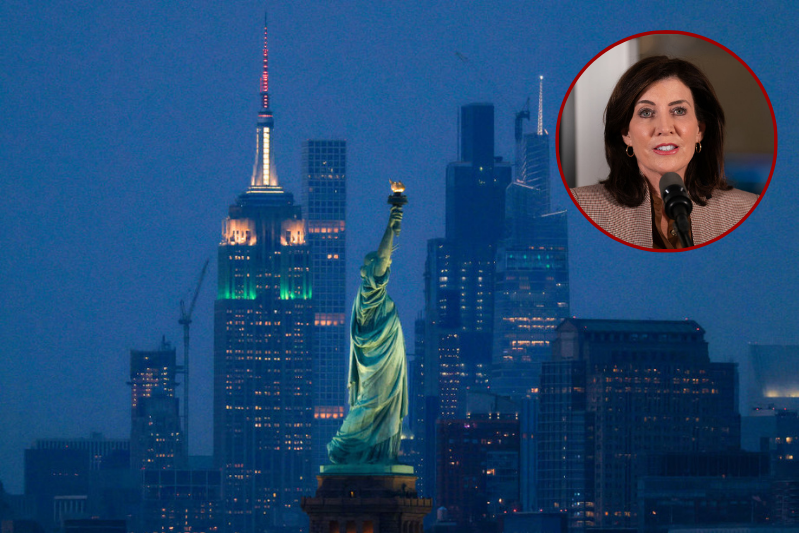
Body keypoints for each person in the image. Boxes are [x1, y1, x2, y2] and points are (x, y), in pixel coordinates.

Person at [571, 56, 758, 249]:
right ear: (626, 134)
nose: (664, 127)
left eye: (678, 110)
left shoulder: (746, 211)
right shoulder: (578, 210)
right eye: (646, 112)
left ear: (699, 130)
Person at [327, 204, 408, 464]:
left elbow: (384, 259)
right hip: (375, 366)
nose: (387, 267)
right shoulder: (369, 294)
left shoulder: (375, 298)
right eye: (381, 267)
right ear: (371, 271)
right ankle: (345, 446)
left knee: (381, 408)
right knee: (369, 406)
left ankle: (376, 454)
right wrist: (391, 225)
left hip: (386, 364)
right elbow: (383, 258)